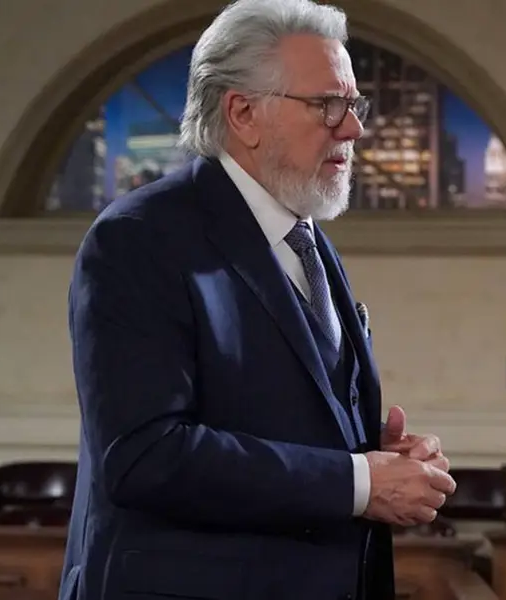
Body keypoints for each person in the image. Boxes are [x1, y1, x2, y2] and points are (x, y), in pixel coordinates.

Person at [58, 1, 457, 598]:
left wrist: (376, 454)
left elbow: (264, 411)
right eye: (328, 105)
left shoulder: (308, 240)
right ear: (243, 113)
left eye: (355, 105)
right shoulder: (138, 239)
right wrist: (358, 481)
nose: (353, 129)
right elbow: (145, 455)